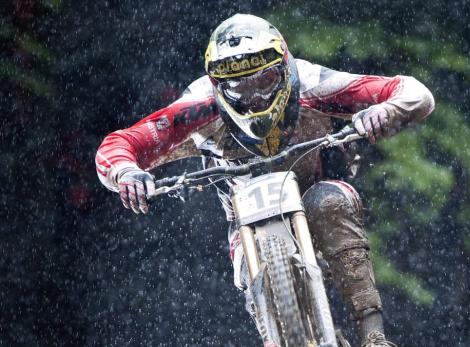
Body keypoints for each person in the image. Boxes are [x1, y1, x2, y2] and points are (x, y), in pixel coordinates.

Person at [95, 13, 434, 347]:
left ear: (284, 68)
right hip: (246, 218)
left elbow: (413, 91)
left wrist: (383, 110)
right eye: (239, 87)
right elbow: (122, 142)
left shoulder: (314, 82)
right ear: (218, 86)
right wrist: (127, 172)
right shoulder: (199, 105)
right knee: (244, 261)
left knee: (328, 202)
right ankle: (272, 335)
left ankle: (373, 335)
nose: (255, 96)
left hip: (320, 189)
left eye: (264, 80)